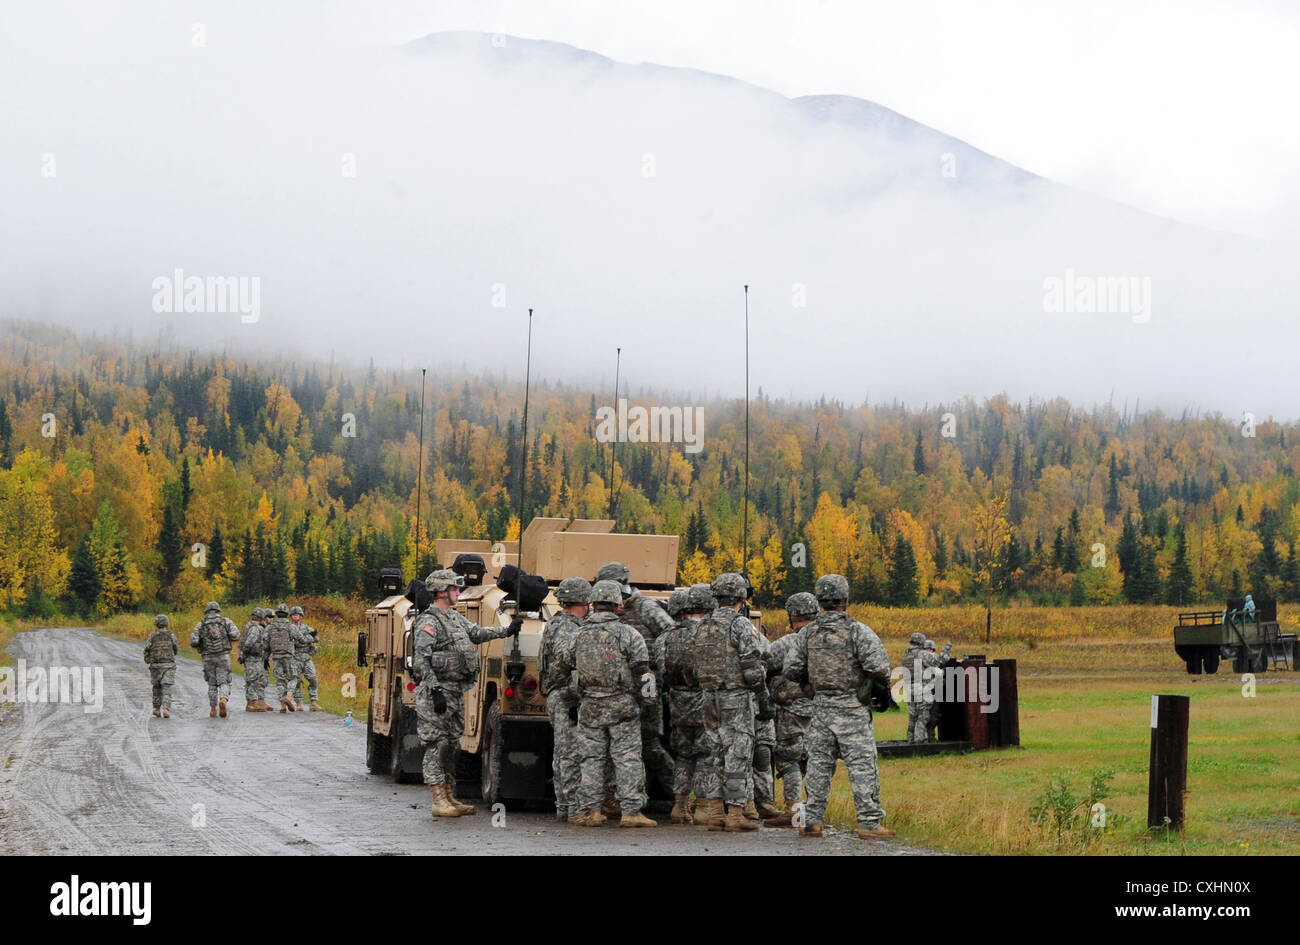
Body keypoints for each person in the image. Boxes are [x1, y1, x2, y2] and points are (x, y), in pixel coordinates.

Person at [784, 573, 896, 840]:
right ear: (845, 599)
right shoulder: (858, 631)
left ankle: (811, 822)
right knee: (862, 767)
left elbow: (791, 669)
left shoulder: (807, 634)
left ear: (820, 601)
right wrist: (873, 688)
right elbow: (879, 667)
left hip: (820, 711)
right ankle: (869, 823)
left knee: (818, 767)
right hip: (853, 711)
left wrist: (811, 686)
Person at [412, 569, 514, 818]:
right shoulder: (429, 622)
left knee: (452, 745)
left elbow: (477, 633)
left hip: (455, 693)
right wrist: (434, 690)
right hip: (437, 693)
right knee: (437, 745)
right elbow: (421, 661)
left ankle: (449, 795)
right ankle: (438, 799)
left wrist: (507, 630)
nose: (458, 593)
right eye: (454, 589)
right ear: (441, 592)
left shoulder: (454, 619)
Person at [556, 579, 656, 828]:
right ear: (618, 605)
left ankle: (590, 811)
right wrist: (648, 703)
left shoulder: (577, 634)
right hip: (623, 706)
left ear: (593, 604)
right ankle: (631, 812)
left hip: (590, 706)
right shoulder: (629, 634)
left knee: (591, 759)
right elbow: (643, 672)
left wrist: (571, 695)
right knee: (627, 758)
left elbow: (561, 668)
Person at [693, 572, 771, 832]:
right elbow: (751, 666)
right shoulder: (740, 624)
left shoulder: (703, 625)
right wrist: (762, 694)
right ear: (741, 597)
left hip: (708, 697)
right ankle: (736, 814)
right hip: (735, 697)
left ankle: (715, 813)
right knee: (737, 754)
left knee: (714, 754)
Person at [595, 561, 676, 801]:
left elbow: (670, 635)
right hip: (616, 687)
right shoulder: (606, 609)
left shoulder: (645, 607)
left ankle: (679, 797)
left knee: (649, 743)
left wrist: (658, 666)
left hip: (646, 684)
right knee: (616, 744)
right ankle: (620, 798)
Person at [762, 591, 819, 827]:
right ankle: (814, 809)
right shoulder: (827, 640)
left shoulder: (787, 644)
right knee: (815, 759)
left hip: (791, 710)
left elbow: (763, 666)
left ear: (792, 617)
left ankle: (794, 811)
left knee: (788, 759)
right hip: (821, 711)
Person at [539, 576, 592, 822]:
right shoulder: (566, 627)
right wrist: (573, 692)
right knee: (569, 753)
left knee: (566, 752)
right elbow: (565, 657)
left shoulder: (565, 623)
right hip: (566, 695)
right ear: (583, 600)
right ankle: (571, 808)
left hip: (564, 694)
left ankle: (567, 807)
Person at [656, 586, 701, 824]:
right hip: (704, 703)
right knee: (706, 755)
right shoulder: (705, 635)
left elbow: (661, 673)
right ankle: (704, 807)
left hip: (677, 704)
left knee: (683, 755)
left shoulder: (664, 638)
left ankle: (679, 806)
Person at [190, 601, 240, 718]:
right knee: (224, 681)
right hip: (223, 656)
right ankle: (223, 699)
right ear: (218, 611)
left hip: (207, 657)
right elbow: (236, 635)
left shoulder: (201, 624)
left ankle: (213, 708)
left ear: (206, 611)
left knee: (212, 684)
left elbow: (193, 641)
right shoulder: (225, 621)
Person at [902, 632, 945, 743]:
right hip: (921, 687)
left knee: (912, 716)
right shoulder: (921, 653)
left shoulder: (906, 654)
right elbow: (939, 660)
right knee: (923, 715)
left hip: (909, 688)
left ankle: (910, 740)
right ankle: (919, 741)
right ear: (921, 642)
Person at [267, 603, 306, 713]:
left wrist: (266, 654)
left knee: (280, 681)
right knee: (293, 678)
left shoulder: (271, 627)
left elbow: (265, 641)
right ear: (287, 614)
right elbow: (301, 639)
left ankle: (283, 705)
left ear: (277, 614)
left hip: (276, 657)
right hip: (288, 656)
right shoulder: (291, 626)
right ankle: (288, 697)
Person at [143, 614, 179, 718]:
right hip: (169, 665)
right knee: (166, 686)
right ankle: (166, 708)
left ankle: (157, 709)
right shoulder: (171, 635)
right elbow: (175, 647)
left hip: (155, 666)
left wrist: (148, 660)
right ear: (166, 623)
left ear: (156, 624)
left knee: (156, 687)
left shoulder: (152, 635)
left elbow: (147, 649)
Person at [239, 607, 273, 711]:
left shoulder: (249, 626)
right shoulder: (255, 628)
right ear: (261, 617)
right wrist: (244, 654)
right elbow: (249, 643)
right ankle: (251, 704)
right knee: (253, 680)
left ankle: (253, 703)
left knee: (252, 679)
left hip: (252, 657)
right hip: (252, 658)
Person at [289, 605, 321, 711]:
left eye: (297, 615)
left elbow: (316, 638)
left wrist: (305, 639)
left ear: (300, 616)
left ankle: (313, 702)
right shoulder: (289, 628)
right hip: (294, 657)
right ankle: (299, 703)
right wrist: (306, 639)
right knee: (296, 680)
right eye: (293, 615)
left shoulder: (306, 628)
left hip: (306, 657)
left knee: (313, 679)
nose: (295, 617)